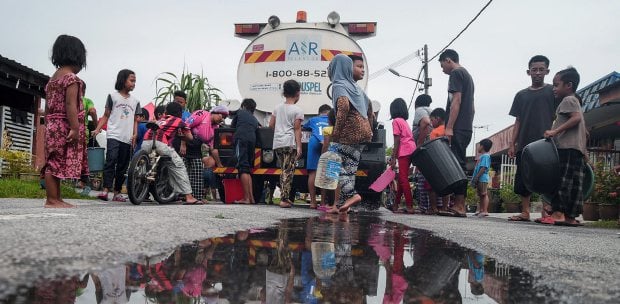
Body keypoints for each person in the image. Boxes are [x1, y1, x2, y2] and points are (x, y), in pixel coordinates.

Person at [508, 55, 556, 222]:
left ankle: (546, 212)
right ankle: (525, 211)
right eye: (534, 70)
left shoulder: (553, 91)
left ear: (547, 71)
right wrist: (512, 143)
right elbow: (518, 120)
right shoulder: (521, 95)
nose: (537, 73)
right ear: (528, 72)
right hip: (524, 143)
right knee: (523, 176)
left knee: (547, 176)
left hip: (545, 143)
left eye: (541, 70)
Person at [42, 34, 88, 208]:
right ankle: (52, 199)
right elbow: (70, 105)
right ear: (77, 57)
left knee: (53, 161)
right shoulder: (71, 79)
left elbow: (47, 107)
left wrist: (48, 124)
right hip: (64, 124)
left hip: (52, 124)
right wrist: (75, 128)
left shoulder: (53, 79)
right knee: (55, 163)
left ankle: (56, 198)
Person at [542, 67, 587, 227]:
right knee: (575, 184)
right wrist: (585, 154)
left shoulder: (568, 100)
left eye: (556, 85)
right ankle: (570, 216)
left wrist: (555, 131)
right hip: (576, 149)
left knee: (562, 181)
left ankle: (558, 213)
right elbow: (584, 131)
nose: (554, 88)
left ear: (568, 85)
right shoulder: (576, 101)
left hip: (566, 148)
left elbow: (575, 119)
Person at [328, 54, 373, 213]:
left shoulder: (339, 84)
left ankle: (352, 195)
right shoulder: (356, 87)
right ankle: (341, 206)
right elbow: (370, 108)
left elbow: (344, 107)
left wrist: (336, 133)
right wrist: (369, 128)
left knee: (331, 162)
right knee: (350, 167)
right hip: (364, 131)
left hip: (350, 130)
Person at [93, 69, 141, 202]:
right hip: (113, 134)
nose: (134, 83)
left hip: (127, 137)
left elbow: (136, 120)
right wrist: (97, 129)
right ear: (123, 80)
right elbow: (106, 115)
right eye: (131, 80)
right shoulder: (112, 97)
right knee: (111, 160)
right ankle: (105, 190)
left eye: (135, 81)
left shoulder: (135, 101)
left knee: (123, 165)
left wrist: (135, 134)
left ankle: (117, 192)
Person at [439, 49, 475, 217]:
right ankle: (458, 204)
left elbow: (456, 101)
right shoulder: (467, 75)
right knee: (459, 162)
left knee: (457, 164)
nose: (442, 70)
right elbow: (472, 108)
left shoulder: (456, 73)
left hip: (458, 127)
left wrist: (450, 127)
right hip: (466, 126)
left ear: (448, 60)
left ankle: (460, 205)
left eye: (442, 65)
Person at [142, 102, 200, 204]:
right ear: (180, 113)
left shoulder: (160, 120)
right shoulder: (179, 121)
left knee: (149, 164)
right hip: (160, 144)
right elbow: (190, 137)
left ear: (166, 112)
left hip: (145, 143)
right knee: (179, 166)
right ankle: (189, 196)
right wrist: (182, 136)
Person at [269, 80, 304, 208]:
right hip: (289, 143)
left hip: (278, 143)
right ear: (297, 93)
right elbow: (297, 129)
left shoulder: (277, 108)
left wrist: (279, 132)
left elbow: (271, 125)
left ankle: (285, 197)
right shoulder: (297, 110)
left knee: (283, 169)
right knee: (288, 171)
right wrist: (299, 146)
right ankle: (284, 199)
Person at [389, 98, 416, 214]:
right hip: (412, 149)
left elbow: (397, 139)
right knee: (401, 178)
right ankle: (396, 204)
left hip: (404, 150)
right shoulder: (404, 122)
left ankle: (410, 206)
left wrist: (393, 157)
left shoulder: (396, 121)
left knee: (403, 178)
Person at [231, 98, 260, 204]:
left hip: (241, 139)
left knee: (242, 168)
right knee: (247, 169)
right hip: (252, 141)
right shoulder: (254, 119)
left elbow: (232, 127)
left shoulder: (240, 112)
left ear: (243, 106)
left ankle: (246, 198)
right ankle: (251, 198)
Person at [303, 104, 332, 208]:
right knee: (323, 173)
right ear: (329, 112)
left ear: (319, 112)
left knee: (313, 173)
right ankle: (323, 203)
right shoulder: (332, 119)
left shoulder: (313, 119)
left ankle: (313, 202)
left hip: (314, 141)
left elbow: (304, 127)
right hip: (327, 142)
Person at [411, 94, 434, 214]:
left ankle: (424, 206)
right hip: (432, 148)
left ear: (417, 103)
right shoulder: (431, 111)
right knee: (431, 178)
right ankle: (432, 206)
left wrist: (419, 143)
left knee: (422, 178)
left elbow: (424, 122)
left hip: (424, 148)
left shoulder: (420, 110)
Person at [472, 139, 493, 217]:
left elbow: (483, 167)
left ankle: (485, 210)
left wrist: (477, 176)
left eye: (479, 145)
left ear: (482, 146)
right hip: (480, 178)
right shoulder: (483, 156)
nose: (478, 148)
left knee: (484, 194)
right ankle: (481, 209)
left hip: (482, 178)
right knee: (480, 194)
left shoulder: (485, 156)